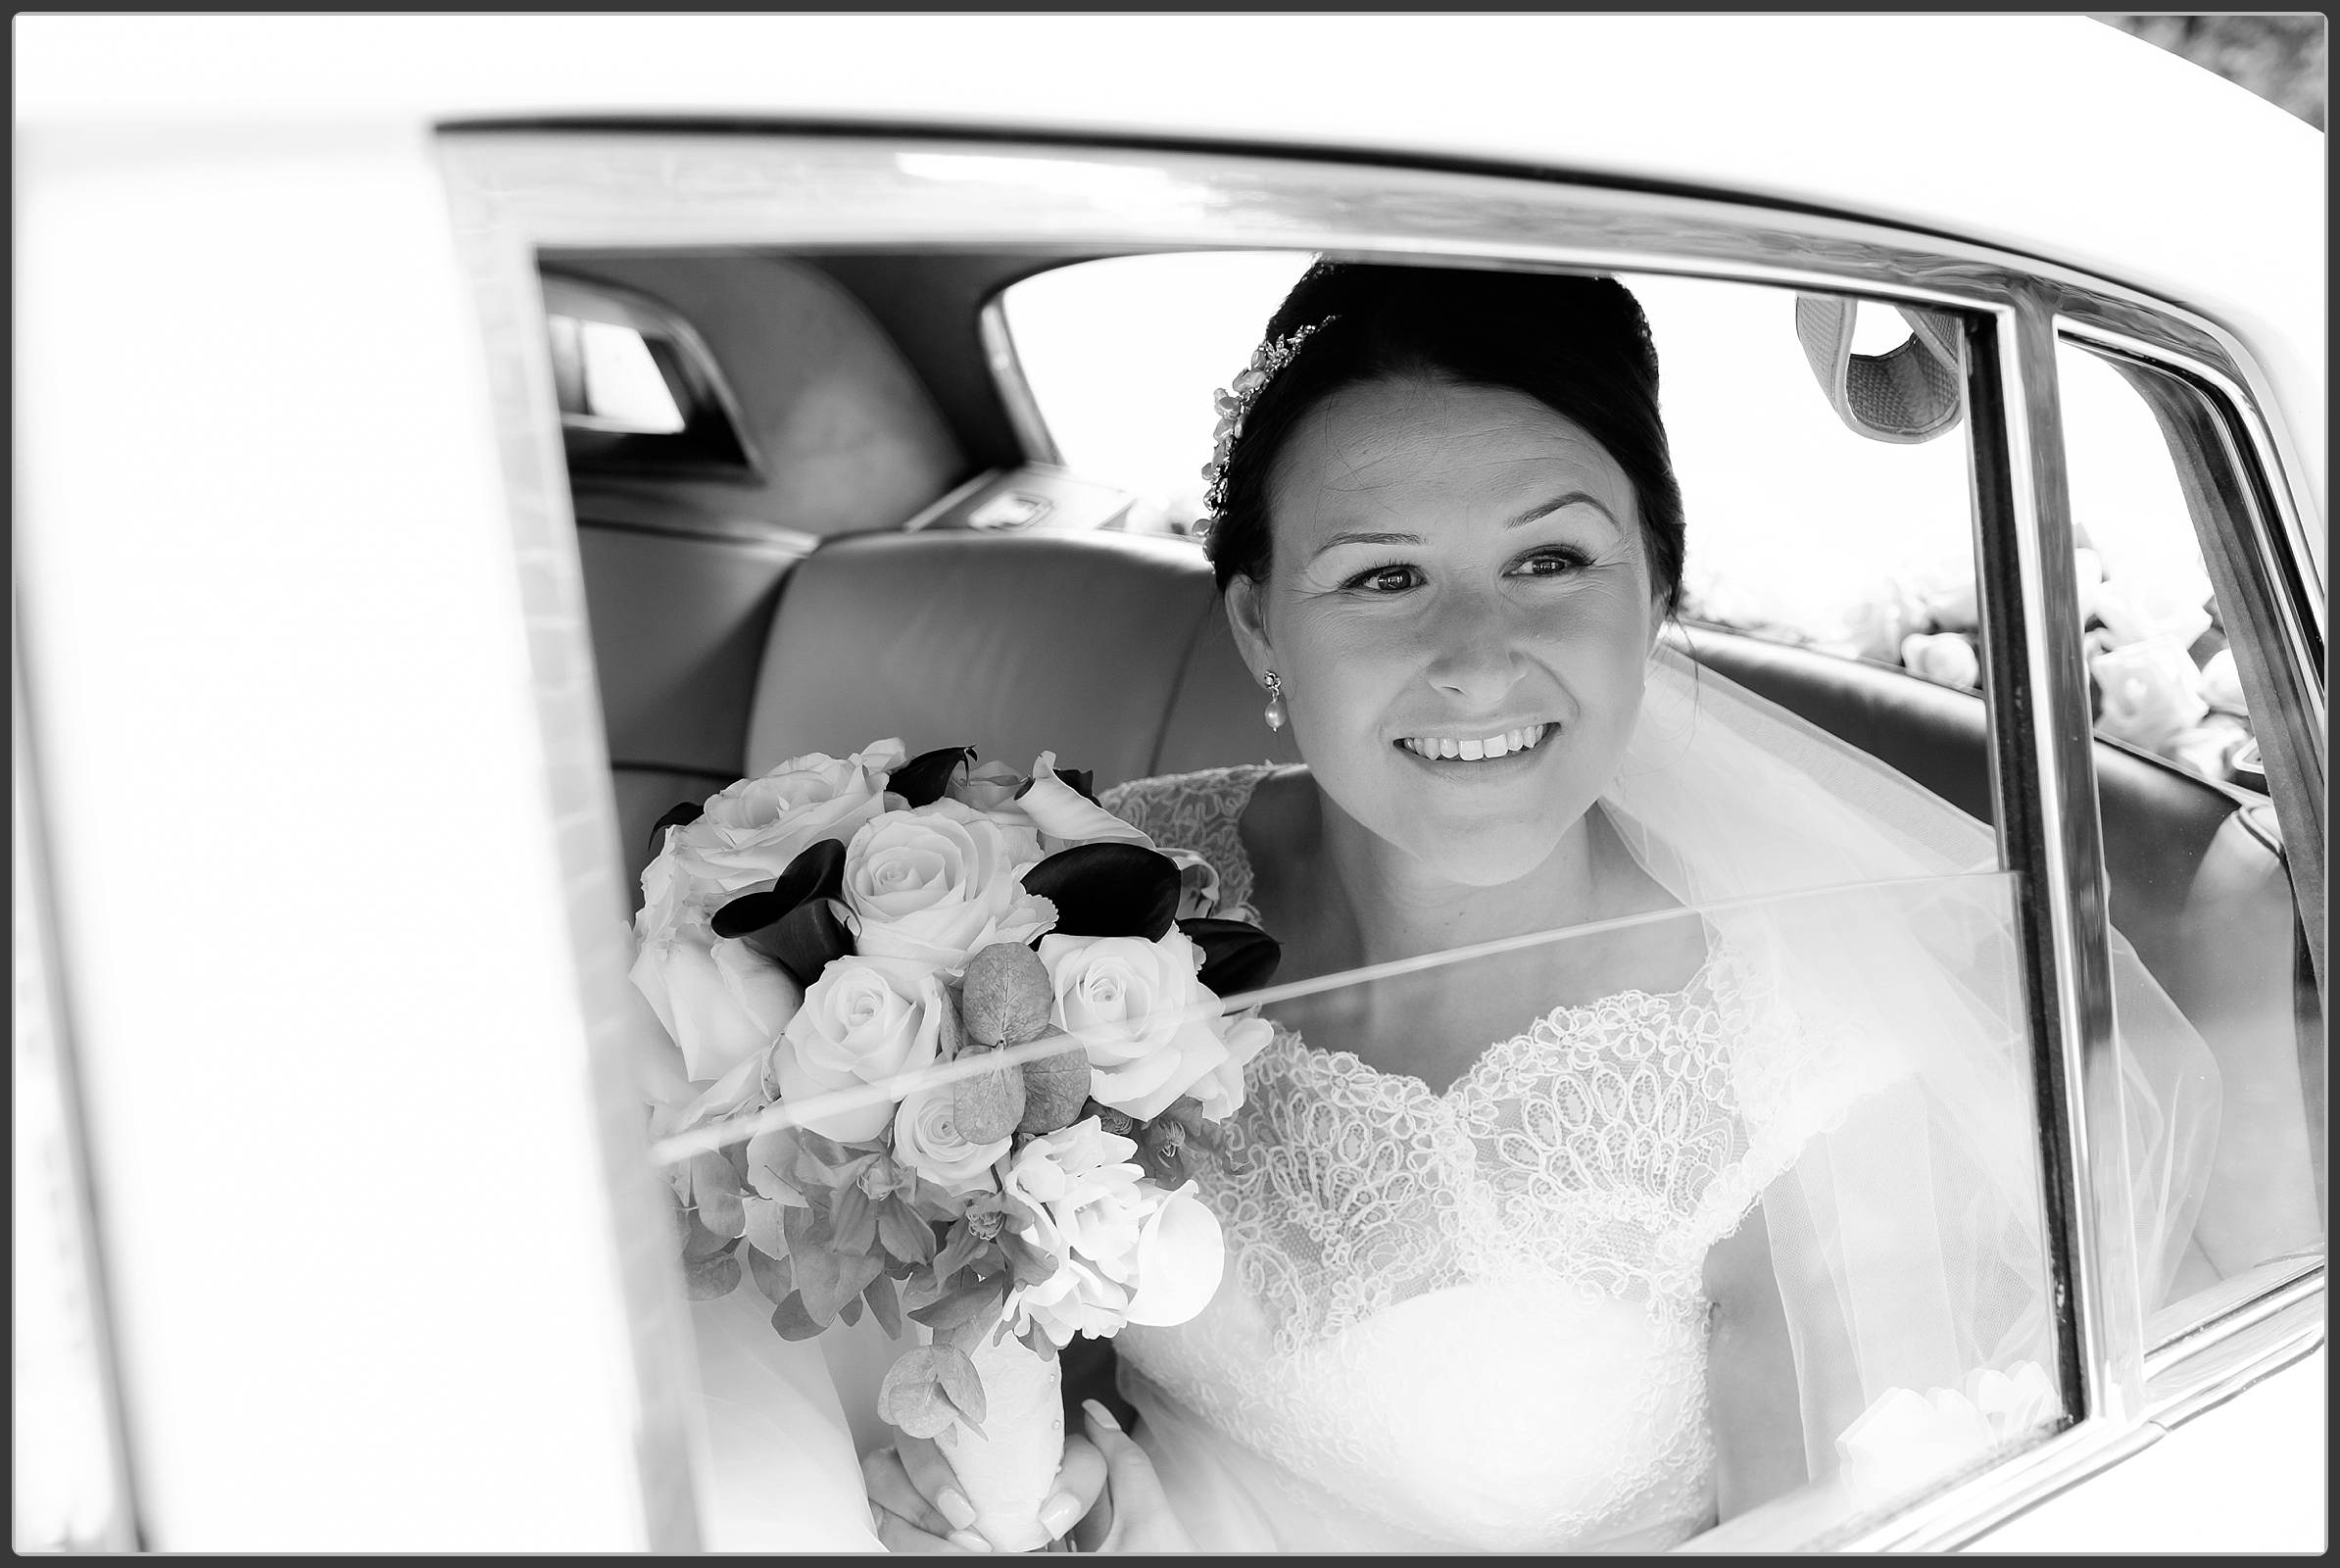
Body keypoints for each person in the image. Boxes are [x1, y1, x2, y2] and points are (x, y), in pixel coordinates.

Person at [826, 262, 2220, 1551]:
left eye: (1551, 562)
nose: (1477, 660)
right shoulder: (1105, 892)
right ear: (1260, 624)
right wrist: (1026, 1481)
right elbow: (1047, 1325)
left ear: (1659, 585)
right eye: (1383, 577)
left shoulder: (1803, 1069)